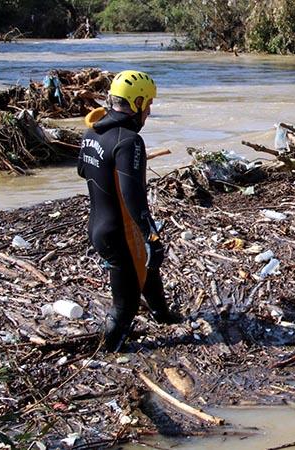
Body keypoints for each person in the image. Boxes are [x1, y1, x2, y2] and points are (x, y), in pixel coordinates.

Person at [78, 70, 179, 352]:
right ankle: (107, 353)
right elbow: (134, 196)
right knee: (126, 306)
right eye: (147, 105)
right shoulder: (129, 141)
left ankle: (163, 315)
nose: (148, 112)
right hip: (118, 232)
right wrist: (152, 235)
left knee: (146, 266)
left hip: (100, 225)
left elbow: (81, 170)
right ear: (136, 103)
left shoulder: (92, 131)